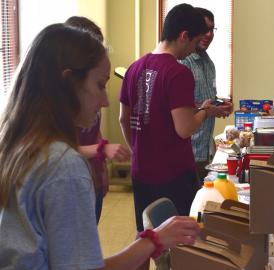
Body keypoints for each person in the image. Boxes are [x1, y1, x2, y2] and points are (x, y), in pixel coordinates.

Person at [0, 23, 199, 269]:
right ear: (69, 82)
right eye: (100, 85)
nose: (105, 101)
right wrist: (153, 240)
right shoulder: (64, 166)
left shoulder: (19, 146)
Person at [119, 3, 211, 235]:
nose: (192, 50)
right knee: (180, 242)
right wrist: (205, 111)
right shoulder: (178, 73)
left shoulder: (133, 68)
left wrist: (138, 151)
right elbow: (185, 128)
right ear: (183, 36)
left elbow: (123, 119)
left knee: (147, 237)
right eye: (194, 42)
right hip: (174, 174)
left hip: (141, 172)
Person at [65, 16, 131, 224]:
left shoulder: (88, 102)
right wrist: (100, 150)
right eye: (100, 85)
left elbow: (95, 133)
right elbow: (62, 148)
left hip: (90, 176)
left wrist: (101, 168)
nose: (105, 101)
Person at [179, 7, 233, 181]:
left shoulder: (208, 62)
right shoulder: (181, 62)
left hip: (204, 148)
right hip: (187, 150)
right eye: (204, 29)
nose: (208, 34)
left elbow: (205, 99)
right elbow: (178, 106)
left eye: (212, 29)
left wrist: (220, 104)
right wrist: (209, 110)